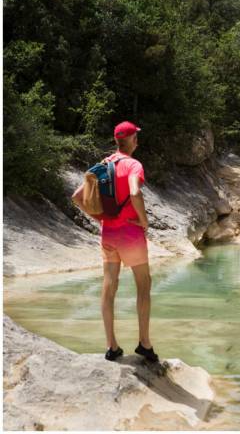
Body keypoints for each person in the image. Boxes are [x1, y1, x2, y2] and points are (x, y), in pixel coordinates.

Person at [71, 121, 159, 363]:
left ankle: (111, 346)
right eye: (136, 136)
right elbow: (134, 192)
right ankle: (144, 343)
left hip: (108, 234)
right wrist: (144, 221)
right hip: (130, 233)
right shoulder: (133, 165)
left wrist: (100, 218)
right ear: (131, 139)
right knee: (144, 285)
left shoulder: (105, 164)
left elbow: (77, 197)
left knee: (109, 287)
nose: (137, 140)